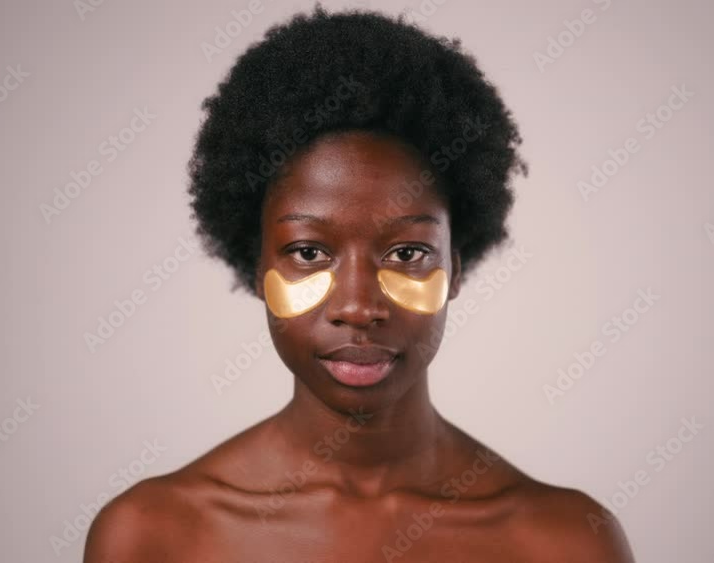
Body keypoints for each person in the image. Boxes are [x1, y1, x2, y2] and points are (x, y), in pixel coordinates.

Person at [84, 7, 634, 562]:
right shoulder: (151, 536)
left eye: (407, 253)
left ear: (456, 269)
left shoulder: (566, 542)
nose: (357, 306)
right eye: (308, 252)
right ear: (256, 268)